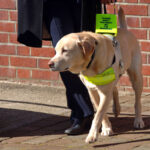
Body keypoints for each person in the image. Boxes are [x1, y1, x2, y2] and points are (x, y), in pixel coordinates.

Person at [17, 0, 115, 135]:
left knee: (90, 50)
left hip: (84, 4)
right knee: (65, 57)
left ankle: (100, 108)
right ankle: (82, 113)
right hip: (55, 5)